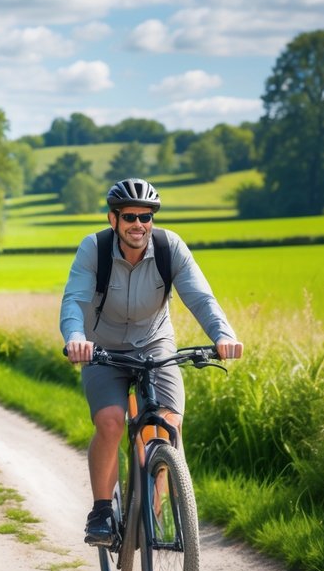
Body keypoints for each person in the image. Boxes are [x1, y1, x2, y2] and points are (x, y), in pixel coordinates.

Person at [60, 178, 243, 546]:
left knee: (169, 424)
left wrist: (223, 334)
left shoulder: (168, 247)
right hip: (103, 349)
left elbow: (200, 297)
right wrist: (76, 339)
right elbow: (75, 301)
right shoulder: (93, 249)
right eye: (129, 216)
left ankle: (152, 512)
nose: (139, 224)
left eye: (146, 216)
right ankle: (100, 510)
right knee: (111, 422)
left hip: (155, 344)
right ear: (113, 219)